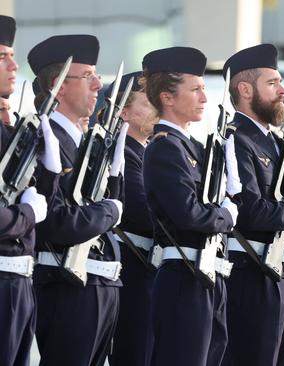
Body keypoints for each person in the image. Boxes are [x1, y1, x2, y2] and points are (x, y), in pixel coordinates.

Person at [29, 34, 127, 365]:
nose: (99, 85)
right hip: (67, 286)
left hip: (99, 282)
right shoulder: (46, 139)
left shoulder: (86, 142)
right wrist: (111, 210)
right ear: (60, 85)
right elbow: (57, 222)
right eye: (87, 76)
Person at [141, 46, 240, 366]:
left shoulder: (192, 146)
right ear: (167, 97)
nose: (204, 97)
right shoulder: (165, 148)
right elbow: (188, 214)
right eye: (195, 89)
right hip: (183, 276)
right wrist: (226, 215)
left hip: (206, 273)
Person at [223, 43, 284, 366]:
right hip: (254, 273)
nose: (282, 91)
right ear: (245, 89)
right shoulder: (237, 139)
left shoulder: (275, 141)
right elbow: (251, 212)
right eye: (273, 83)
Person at [0, 15, 55, 366]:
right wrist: (29, 213)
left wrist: (49, 173)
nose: (14, 64)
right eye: (2, 56)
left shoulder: (9, 133)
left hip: (19, 281)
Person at [108, 71, 157, 366]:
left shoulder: (146, 151)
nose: (156, 107)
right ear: (124, 112)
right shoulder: (123, 152)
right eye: (148, 100)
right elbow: (141, 210)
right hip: (133, 269)